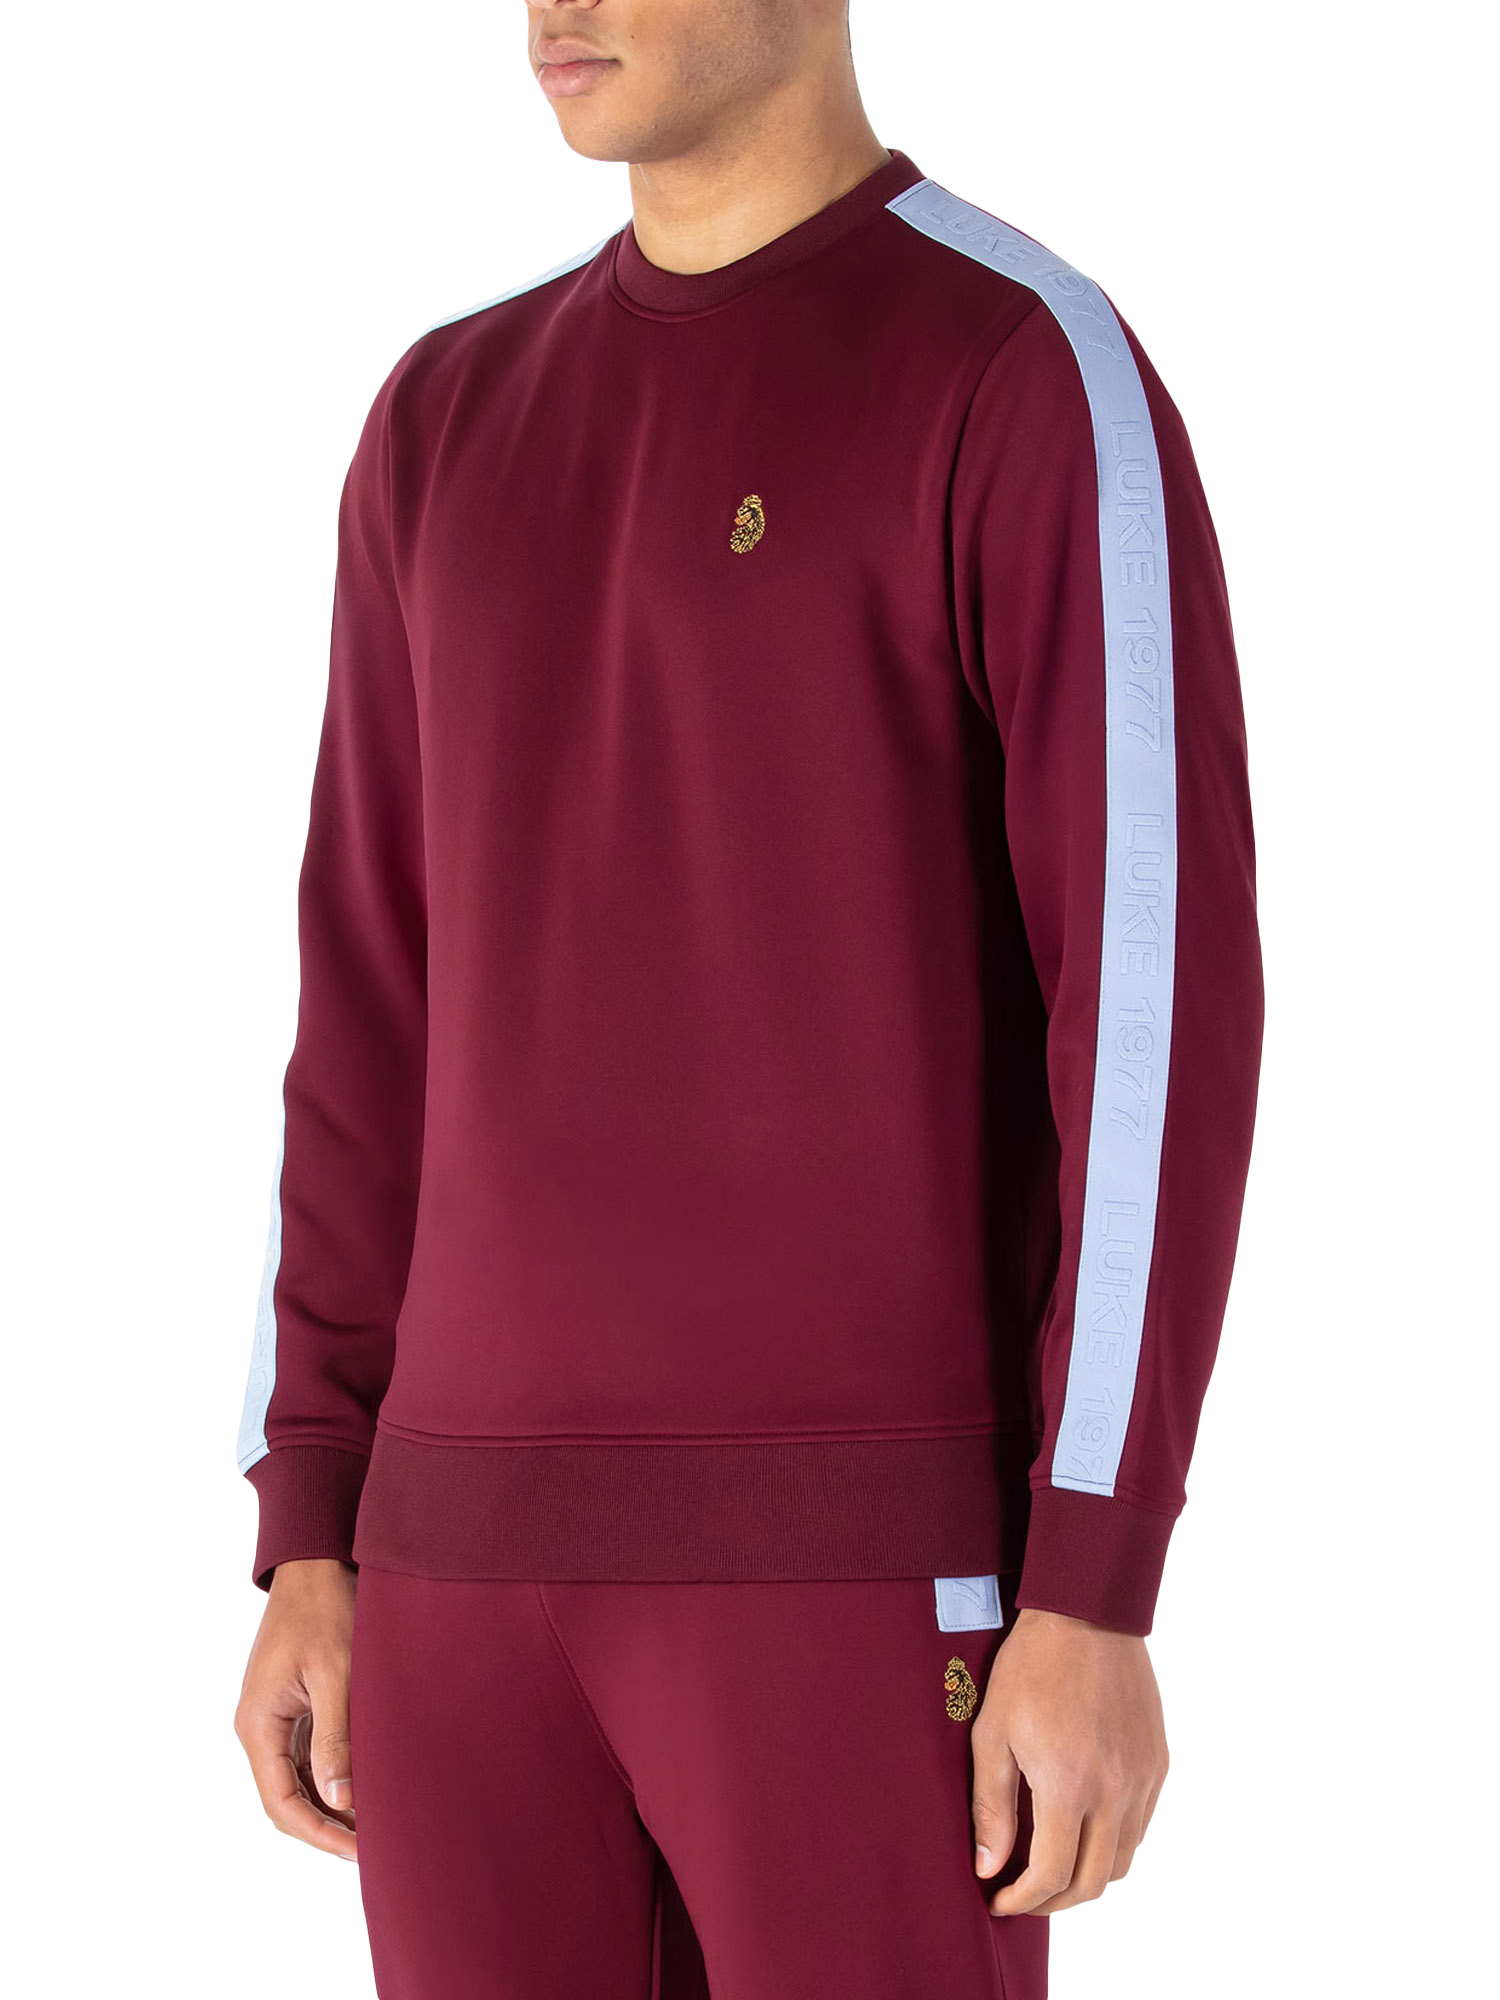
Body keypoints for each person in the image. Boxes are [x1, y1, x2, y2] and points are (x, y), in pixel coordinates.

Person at [232, 4, 1264, 1994]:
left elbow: (1153, 1015)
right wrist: (313, 1519)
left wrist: (1094, 1574)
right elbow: (365, 1008)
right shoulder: (441, 416)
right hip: (455, 1585)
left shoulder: (1018, 367)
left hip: (856, 1574)